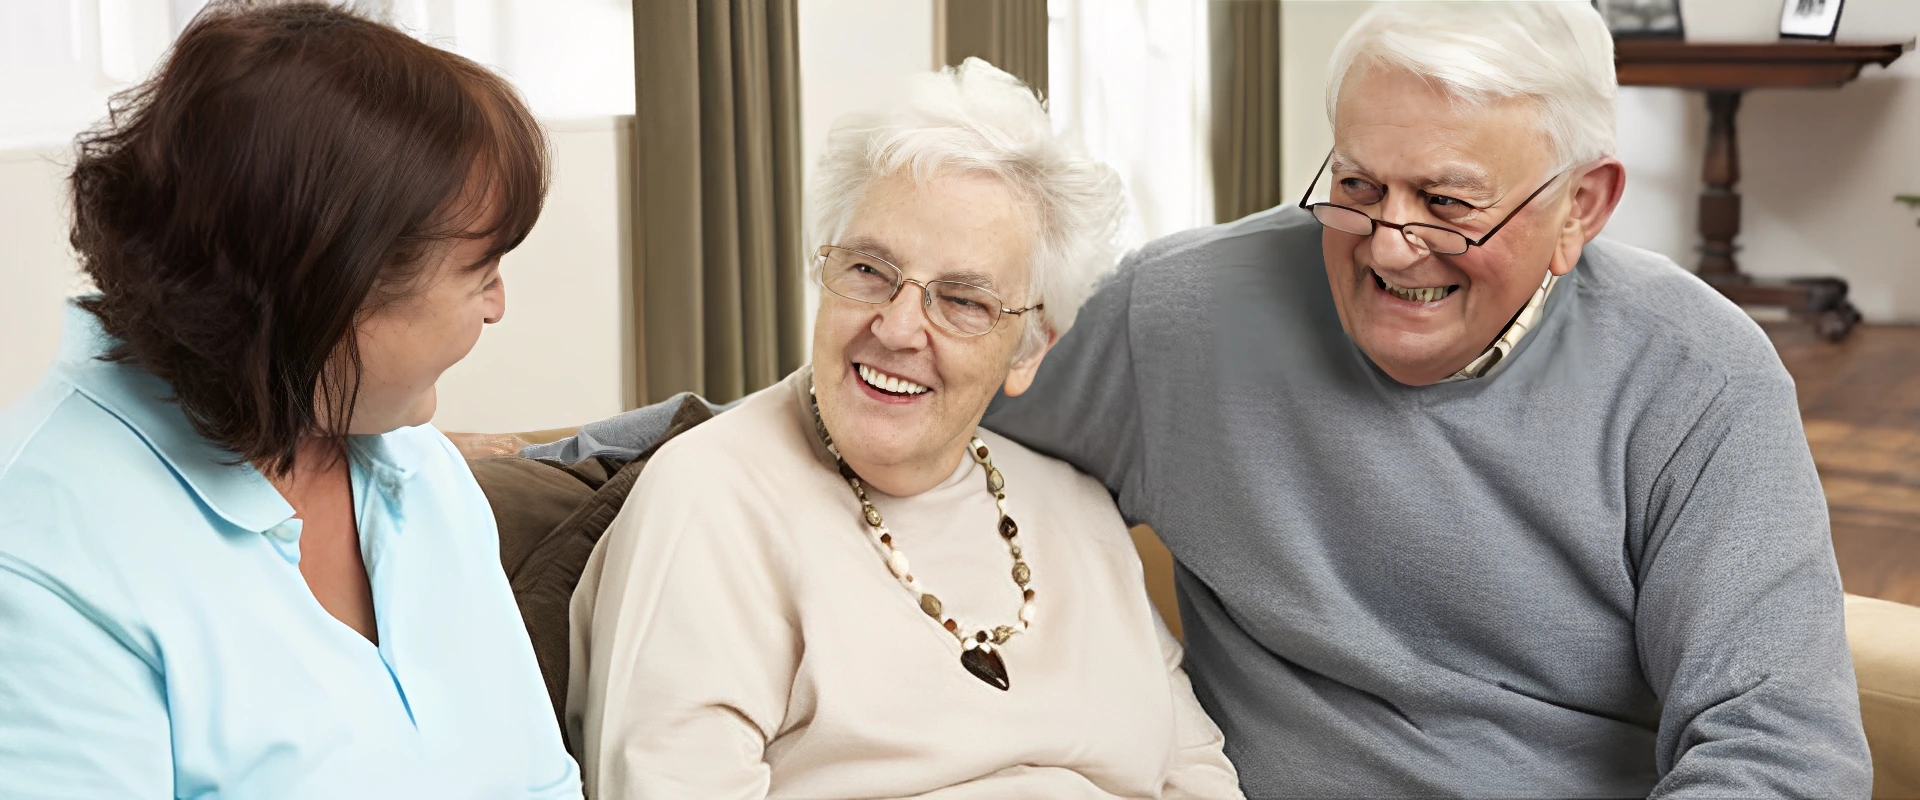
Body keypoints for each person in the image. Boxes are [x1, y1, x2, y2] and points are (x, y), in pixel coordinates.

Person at [539, 3, 1873, 796]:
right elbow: (928, 378)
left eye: (1449, 202)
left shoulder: (1696, 376)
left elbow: (1777, 754)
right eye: (1357, 183)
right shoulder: (1184, 317)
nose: (1390, 240)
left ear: (1584, 206)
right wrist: (616, 453)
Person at [565, 59, 1241, 799]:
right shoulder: (709, 500)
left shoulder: (1079, 511)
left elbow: (1197, 773)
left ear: (1030, 350)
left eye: (962, 301)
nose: (896, 327)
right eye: (868, 270)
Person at [0, 4, 580, 797]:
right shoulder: (39, 555)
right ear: (334, 294)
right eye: (478, 275)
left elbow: (535, 783)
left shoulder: (417, 471)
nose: (496, 307)